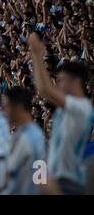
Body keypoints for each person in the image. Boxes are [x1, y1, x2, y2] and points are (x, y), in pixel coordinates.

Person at [28, 33, 94, 194]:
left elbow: (44, 89)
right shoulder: (66, 109)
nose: (59, 84)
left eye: (62, 80)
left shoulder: (80, 106)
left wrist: (36, 56)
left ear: (76, 81)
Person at [2, 86, 46, 195]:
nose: (3, 111)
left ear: (19, 107)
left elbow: (41, 180)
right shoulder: (23, 134)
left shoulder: (32, 137)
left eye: (6, 106)